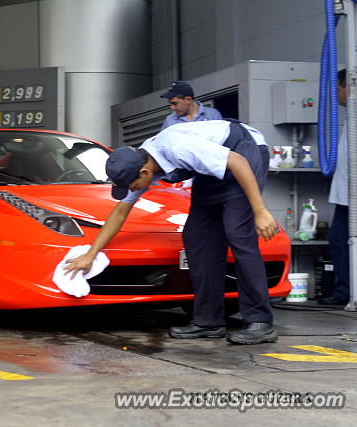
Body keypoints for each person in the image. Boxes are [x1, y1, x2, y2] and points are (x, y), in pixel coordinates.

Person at [64, 119, 279, 345]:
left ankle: (261, 321)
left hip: (243, 150)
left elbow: (237, 162)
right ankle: (208, 321)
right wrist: (90, 254)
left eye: (131, 186)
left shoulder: (178, 147)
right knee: (198, 238)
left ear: (144, 172)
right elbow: (120, 213)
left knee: (238, 233)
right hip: (214, 166)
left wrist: (260, 210)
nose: (131, 191)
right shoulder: (139, 164)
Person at [320, 69, 350, 306]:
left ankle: (344, 293)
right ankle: (345, 292)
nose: (336, 94)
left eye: (337, 88)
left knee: (339, 242)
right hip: (346, 195)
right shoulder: (351, 115)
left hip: (352, 195)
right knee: (339, 242)